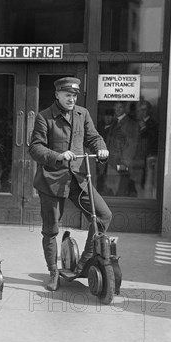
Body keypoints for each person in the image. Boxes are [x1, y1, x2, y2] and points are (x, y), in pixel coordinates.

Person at [29, 77, 112, 291]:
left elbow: (93, 137)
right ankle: (53, 272)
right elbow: (35, 148)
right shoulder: (44, 117)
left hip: (78, 178)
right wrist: (58, 155)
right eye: (68, 95)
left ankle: (84, 264)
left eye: (74, 95)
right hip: (52, 181)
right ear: (57, 95)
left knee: (102, 215)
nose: (72, 99)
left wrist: (101, 148)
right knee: (51, 229)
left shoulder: (82, 114)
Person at [105, 101, 139, 196]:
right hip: (112, 162)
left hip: (121, 162)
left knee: (121, 189)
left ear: (124, 108)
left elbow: (131, 145)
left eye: (120, 107)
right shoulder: (115, 122)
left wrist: (125, 162)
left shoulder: (129, 124)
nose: (118, 109)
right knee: (113, 188)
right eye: (116, 107)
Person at [133, 100, 160, 196]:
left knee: (148, 182)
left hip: (149, 156)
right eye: (140, 110)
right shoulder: (136, 123)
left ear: (149, 111)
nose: (141, 112)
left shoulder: (153, 124)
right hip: (137, 157)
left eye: (144, 110)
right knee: (137, 182)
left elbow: (153, 139)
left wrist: (144, 128)